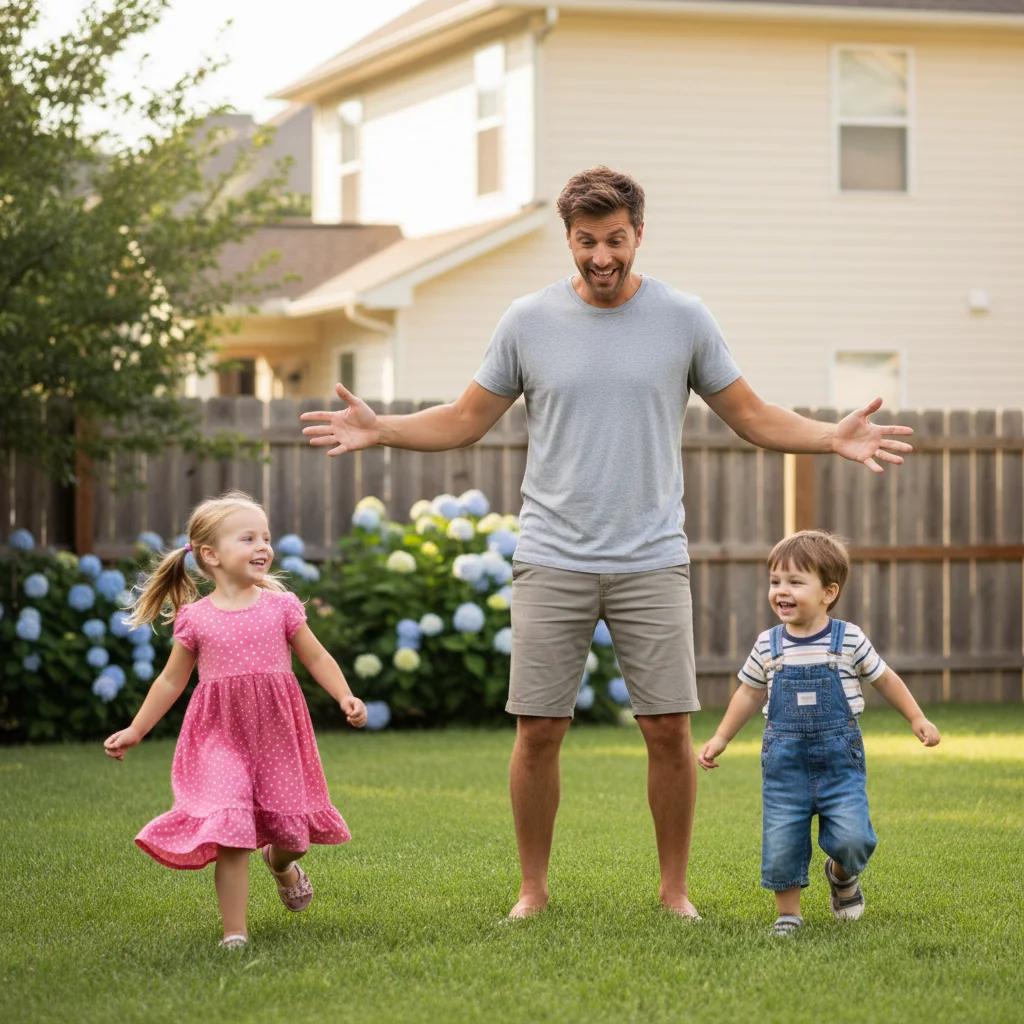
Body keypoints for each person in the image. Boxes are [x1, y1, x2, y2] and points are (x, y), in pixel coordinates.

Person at [299, 166, 914, 921]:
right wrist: (383, 427)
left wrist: (829, 436)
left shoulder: (683, 318)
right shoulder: (527, 321)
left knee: (667, 729)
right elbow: (464, 419)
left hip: (651, 556)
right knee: (538, 731)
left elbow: (751, 415)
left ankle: (674, 891)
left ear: (638, 235)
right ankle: (532, 890)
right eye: (586, 241)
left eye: (614, 240)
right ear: (568, 238)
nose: (600, 256)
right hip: (552, 554)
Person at [103, 491, 367, 949]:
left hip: (278, 736)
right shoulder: (195, 619)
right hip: (218, 738)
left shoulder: (280, 607)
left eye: (266, 537)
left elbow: (317, 656)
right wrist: (136, 729)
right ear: (211, 555)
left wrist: (345, 695)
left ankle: (281, 864)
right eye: (248, 538)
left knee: (292, 834)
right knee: (230, 829)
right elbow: (170, 682)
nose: (263, 546)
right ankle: (235, 933)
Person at [698, 530, 940, 935]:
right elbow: (747, 693)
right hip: (784, 765)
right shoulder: (767, 645)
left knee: (854, 838)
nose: (781, 591)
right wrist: (722, 737)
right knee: (782, 838)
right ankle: (788, 914)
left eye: (795, 582)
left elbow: (885, 679)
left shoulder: (849, 640)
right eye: (775, 581)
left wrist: (916, 718)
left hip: (838, 763)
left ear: (829, 592)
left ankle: (842, 874)